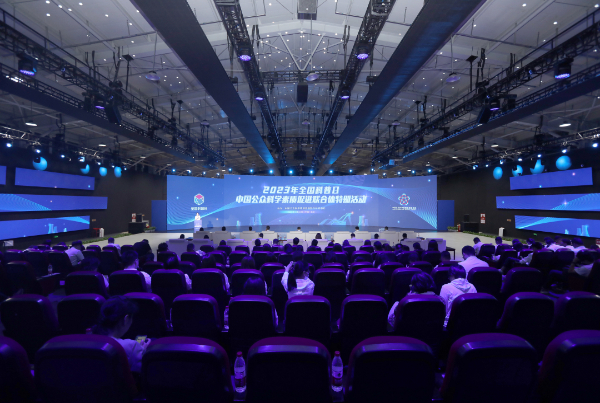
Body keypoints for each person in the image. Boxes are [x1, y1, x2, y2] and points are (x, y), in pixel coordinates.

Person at [92, 296, 149, 372]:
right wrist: (142, 351)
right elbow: (142, 373)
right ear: (126, 319)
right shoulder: (132, 346)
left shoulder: (89, 342)